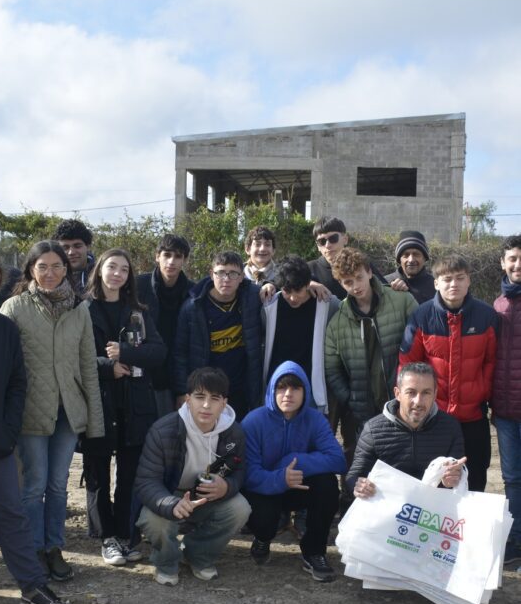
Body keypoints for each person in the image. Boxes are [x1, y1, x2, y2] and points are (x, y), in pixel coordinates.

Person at [0, 241, 104, 581]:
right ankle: (33, 550)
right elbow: (2, 364)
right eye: (42, 266)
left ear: (67, 269)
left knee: (59, 485)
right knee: (33, 484)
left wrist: (95, 420)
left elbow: (88, 365)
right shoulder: (14, 307)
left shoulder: (80, 308)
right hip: (30, 410)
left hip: (68, 411)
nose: (50, 273)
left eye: (56, 266)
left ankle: (54, 547)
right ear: (31, 268)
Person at [0, 256, 72, 604]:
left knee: (12, 516)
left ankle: (32, 587)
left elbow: (17, 384)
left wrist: (7, 431)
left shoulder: (4, 329)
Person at [81, 248, 166, 567]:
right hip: (99, 403)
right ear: (100, 270)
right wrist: (108, 367)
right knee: (98, 474)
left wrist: (126, 353)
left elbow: (158, 352)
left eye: (124, 269)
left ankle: (125, 534)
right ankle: (107, 538)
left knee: (129, 475)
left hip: (135, 405)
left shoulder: (138, 311)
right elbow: (75, 358)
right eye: (112, 267)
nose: (117, 273)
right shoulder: (83, 309)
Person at [135, 367, 250, 586]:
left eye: (214, 399)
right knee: (154, 520)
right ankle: (166, 562)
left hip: (205, 497)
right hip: (169, 494)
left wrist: (226, 486)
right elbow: (146, 481)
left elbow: (240, 471)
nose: (206, 405)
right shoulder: (163, 430)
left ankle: (198, 555)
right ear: (187, 400)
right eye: (199, 397)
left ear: (224, 403)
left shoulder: (234, 432)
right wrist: (170, 503)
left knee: (240, 508)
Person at [399, 256, 498, 492]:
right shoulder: (421, 316)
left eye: (460, 278)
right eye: (447, 279)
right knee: (435, 480)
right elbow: (408, 364)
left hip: (473, 414)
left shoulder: (486, 316)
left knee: (475, 477)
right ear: (436, 283)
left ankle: (470, 528)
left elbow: (492, 362)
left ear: (469, 281)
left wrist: (482, 391)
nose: (454, 284)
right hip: (434, 416)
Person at [241, 362, 346, 582]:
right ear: (272, 390)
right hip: (264, 488)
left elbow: (337, 460)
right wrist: (280, 477)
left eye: (295, 388)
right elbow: (247, 474)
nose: (288, 394)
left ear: (305, 392)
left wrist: (294, 462)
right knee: (262, 518)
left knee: (327, 486)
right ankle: (263, 538)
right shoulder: (253, 422)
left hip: (299, 485)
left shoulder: (314, 419)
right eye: (281, 388)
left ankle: (314, 551)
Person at [324, 247, 418, 431]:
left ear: (369, 272)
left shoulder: (403, 300)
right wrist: (350, 398)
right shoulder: (337, 321)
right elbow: (332, 369)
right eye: (348, 282)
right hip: (362, 410)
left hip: (403, 402)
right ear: (341, 283)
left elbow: (423, 345)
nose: (356, 286)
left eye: (359, 277)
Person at [347, 363, 466, 498]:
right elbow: (355, 475)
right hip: (388, 507)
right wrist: (359, 486)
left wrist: (450, 480)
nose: (418, 401)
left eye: (426, 393)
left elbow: (457, 474)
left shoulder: (450, 427)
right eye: (411, 392)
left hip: (432, 509)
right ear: (398, 394)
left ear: (435, 394)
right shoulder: (373, 429)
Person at [174, 251, 262, 420]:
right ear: (211, 274)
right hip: (206, 389)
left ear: (242, 276)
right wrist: (180, 391)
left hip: (241, 388)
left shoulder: (251, 298)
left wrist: (312, 284)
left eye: (233, 273)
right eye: (221, 272)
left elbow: (285, 285)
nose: (226, 279)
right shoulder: (193, 307)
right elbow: (179, 353)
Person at [262, 256, 339, 412]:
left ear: (308, 284)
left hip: (312, 387)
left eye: (298, 291)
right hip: (276, 384)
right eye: (286, 291)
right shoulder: (269, 306)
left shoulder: (327, 304)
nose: (293, 297)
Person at [136, 233, 193, 417]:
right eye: (167, 255)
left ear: (184, 260)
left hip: (178, 377)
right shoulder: (138, 286)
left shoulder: (194, 292)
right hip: (143, 375)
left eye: (178, 256)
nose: (171, 261)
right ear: (157, 256)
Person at [492, 235, 521, 563]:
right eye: (512, 258)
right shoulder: (497, 306)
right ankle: (514, 543)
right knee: (512, 479)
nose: (517, 265)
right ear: (503, 263)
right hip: (504, 410)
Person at [308, 215, 386, 300]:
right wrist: (307, 284)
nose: (328, 245)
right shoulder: (309, 269)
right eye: (321, 241)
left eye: (333, 238)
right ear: (318, 246)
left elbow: (385, 290)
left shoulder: (360, 263)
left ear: (345, 239)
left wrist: (399, 286)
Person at [384, 230, 436, 304]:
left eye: (416, 254)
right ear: (399, 259)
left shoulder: (435, 286)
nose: (411, 260)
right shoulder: (386, 284)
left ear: (424, 258)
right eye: (406, 255)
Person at [52, 219, 94, 296]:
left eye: (77, 246)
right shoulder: (49, 276)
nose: (71, 252)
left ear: (88, 247)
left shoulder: (101, 276)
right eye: (65, 247)